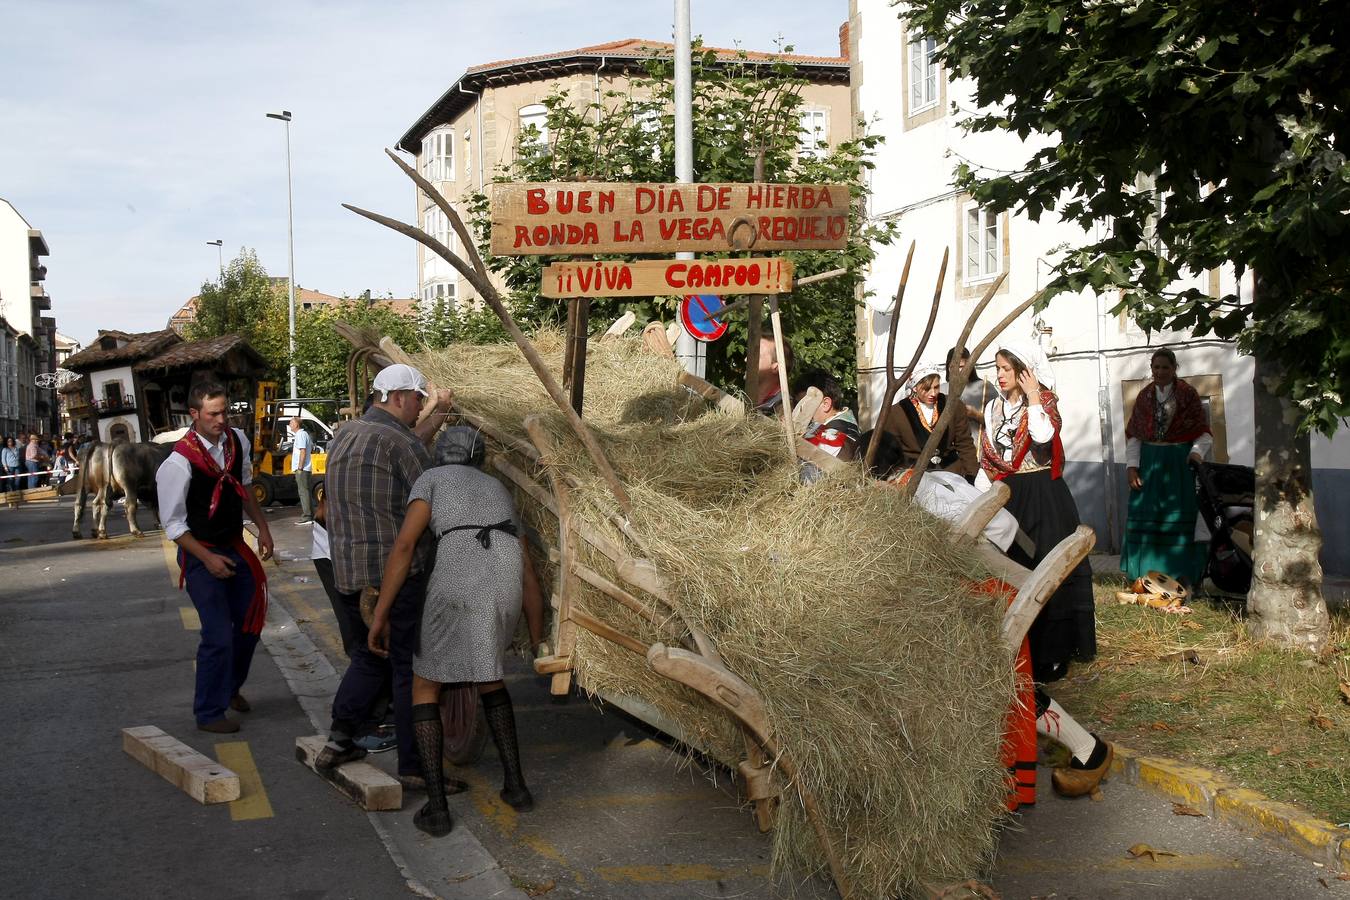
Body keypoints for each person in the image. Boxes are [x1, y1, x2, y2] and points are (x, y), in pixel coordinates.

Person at [370, 427, 542, 836]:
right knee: (489, 676)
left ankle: (437, 807)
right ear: (478, 457)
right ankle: (516, 787)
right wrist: (537, 642)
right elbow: (530, 575)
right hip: (505, 583)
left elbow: (406, 547)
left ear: (440, 455)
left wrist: (381, 613)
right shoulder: (497, 487)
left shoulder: (430, 479)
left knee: (425, 686)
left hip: (458, 579)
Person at [977, 340, 1110, 798]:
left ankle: (1042, 658)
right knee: (1008, 581)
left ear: (1027, 371)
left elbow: (1039, 440)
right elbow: (987, 464)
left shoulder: (1043, 405)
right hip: (1006, 498)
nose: (1000, 375)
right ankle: (1026, 660)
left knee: (1042, 582)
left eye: (1007, 368)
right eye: (997, 368)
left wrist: (1034, 397)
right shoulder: (992, 409)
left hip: (1043, 503)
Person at [314, 364, 454, 789]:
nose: (418, 408)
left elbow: (408, 441)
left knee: (369, 655)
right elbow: (433, 494)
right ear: (397, 398)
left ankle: (339, 740)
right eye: (416, 400)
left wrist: (437, 412)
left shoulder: (346, 435)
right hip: (395, 574)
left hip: (351, 572)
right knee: (408, 668)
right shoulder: (398, 441)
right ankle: (415, 768)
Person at [156, 382, 274, 733]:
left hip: (234, 545)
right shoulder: (178, 462)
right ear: (194, 415)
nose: (222, 419)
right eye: (213, 414)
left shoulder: (238, 440)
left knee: (251, 622)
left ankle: (230, 687)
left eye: (225, 411)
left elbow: (245, 488)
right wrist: (206, 559)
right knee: (218, 633)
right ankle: (208, 712)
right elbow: (174, 526)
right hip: (199, 552)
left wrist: (263, 529)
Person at [1121, 348, 1213, 585]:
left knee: (1181, 516)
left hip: (1178, 466)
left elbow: (1204, 433)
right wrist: (1132, 467)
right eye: (1156, 367)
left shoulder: (1188, 395)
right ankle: (1143, 576)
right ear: (1151, 369)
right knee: (1145, 513)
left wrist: (1195, 453)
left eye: (1165, 367)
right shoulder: (1144, 397)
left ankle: (1183, 576)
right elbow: (1134, 436)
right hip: (1149, 464)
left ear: (1174, 369)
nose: (1160, 372)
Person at [881, 362, 979, 483]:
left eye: (936, 387)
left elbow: (965, 443)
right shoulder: (896, 413)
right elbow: (889, 451)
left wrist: (971, 475)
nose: (933, 393)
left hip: (951, 472)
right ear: (915, 387)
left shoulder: (953, 405)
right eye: (926, 389)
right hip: (915, 476)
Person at [792, 371, 860, 462]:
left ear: (825, 404)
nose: (800, 409)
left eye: (805, 404)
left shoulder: (839, 432)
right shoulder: (844, 425)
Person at [947, 345, 990, 445]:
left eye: (962, 367)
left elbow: (999, 423)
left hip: (977, 449)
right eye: (954, 367)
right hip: (949, 454)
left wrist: (976, 414)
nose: (958, 371)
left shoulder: (984, 388)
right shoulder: (940, 389)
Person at [752, 334, 793, 415]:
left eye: (756, 356)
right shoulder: (743, 395)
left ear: (776, 367)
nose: (746, 360)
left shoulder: (784, 409)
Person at [289, 416, 315, 524]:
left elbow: (303, 452)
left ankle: (307, 517)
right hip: (305, 468)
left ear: (296, 424)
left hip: (302, 469)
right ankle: (309, 515)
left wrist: (299, 468)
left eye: (291, 422)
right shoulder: (303, 434)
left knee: (303, 492)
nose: (289, 424)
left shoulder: (300, 435)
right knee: (306, 491)